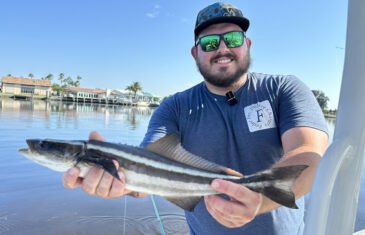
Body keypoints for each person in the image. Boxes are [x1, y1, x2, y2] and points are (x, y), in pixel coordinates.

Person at [63, 2, 328, 234]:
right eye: (210, 43)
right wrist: (120, 180)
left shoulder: (283, 89)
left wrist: (260, 200)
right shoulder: (174, 108)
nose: (222, 49)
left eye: (233, 39)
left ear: (247, 44)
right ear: (195, 53)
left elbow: (309, 155)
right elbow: (147, 165)